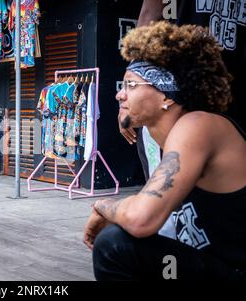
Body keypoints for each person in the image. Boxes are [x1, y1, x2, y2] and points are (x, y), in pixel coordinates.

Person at [83, 21, 246, 280]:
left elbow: (141, 219)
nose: (119, 96)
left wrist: (104, 205)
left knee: (114, 245)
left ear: (166, 96)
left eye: (130, 86)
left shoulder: (198, 125)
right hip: (210, 266)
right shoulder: (160, 142)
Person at [120, 0, 246, 180]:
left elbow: (149, 18)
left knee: (193, 195)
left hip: (202, 97)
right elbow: (149, 16)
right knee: (180, 196)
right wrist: (130, 89)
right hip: (187, 96)